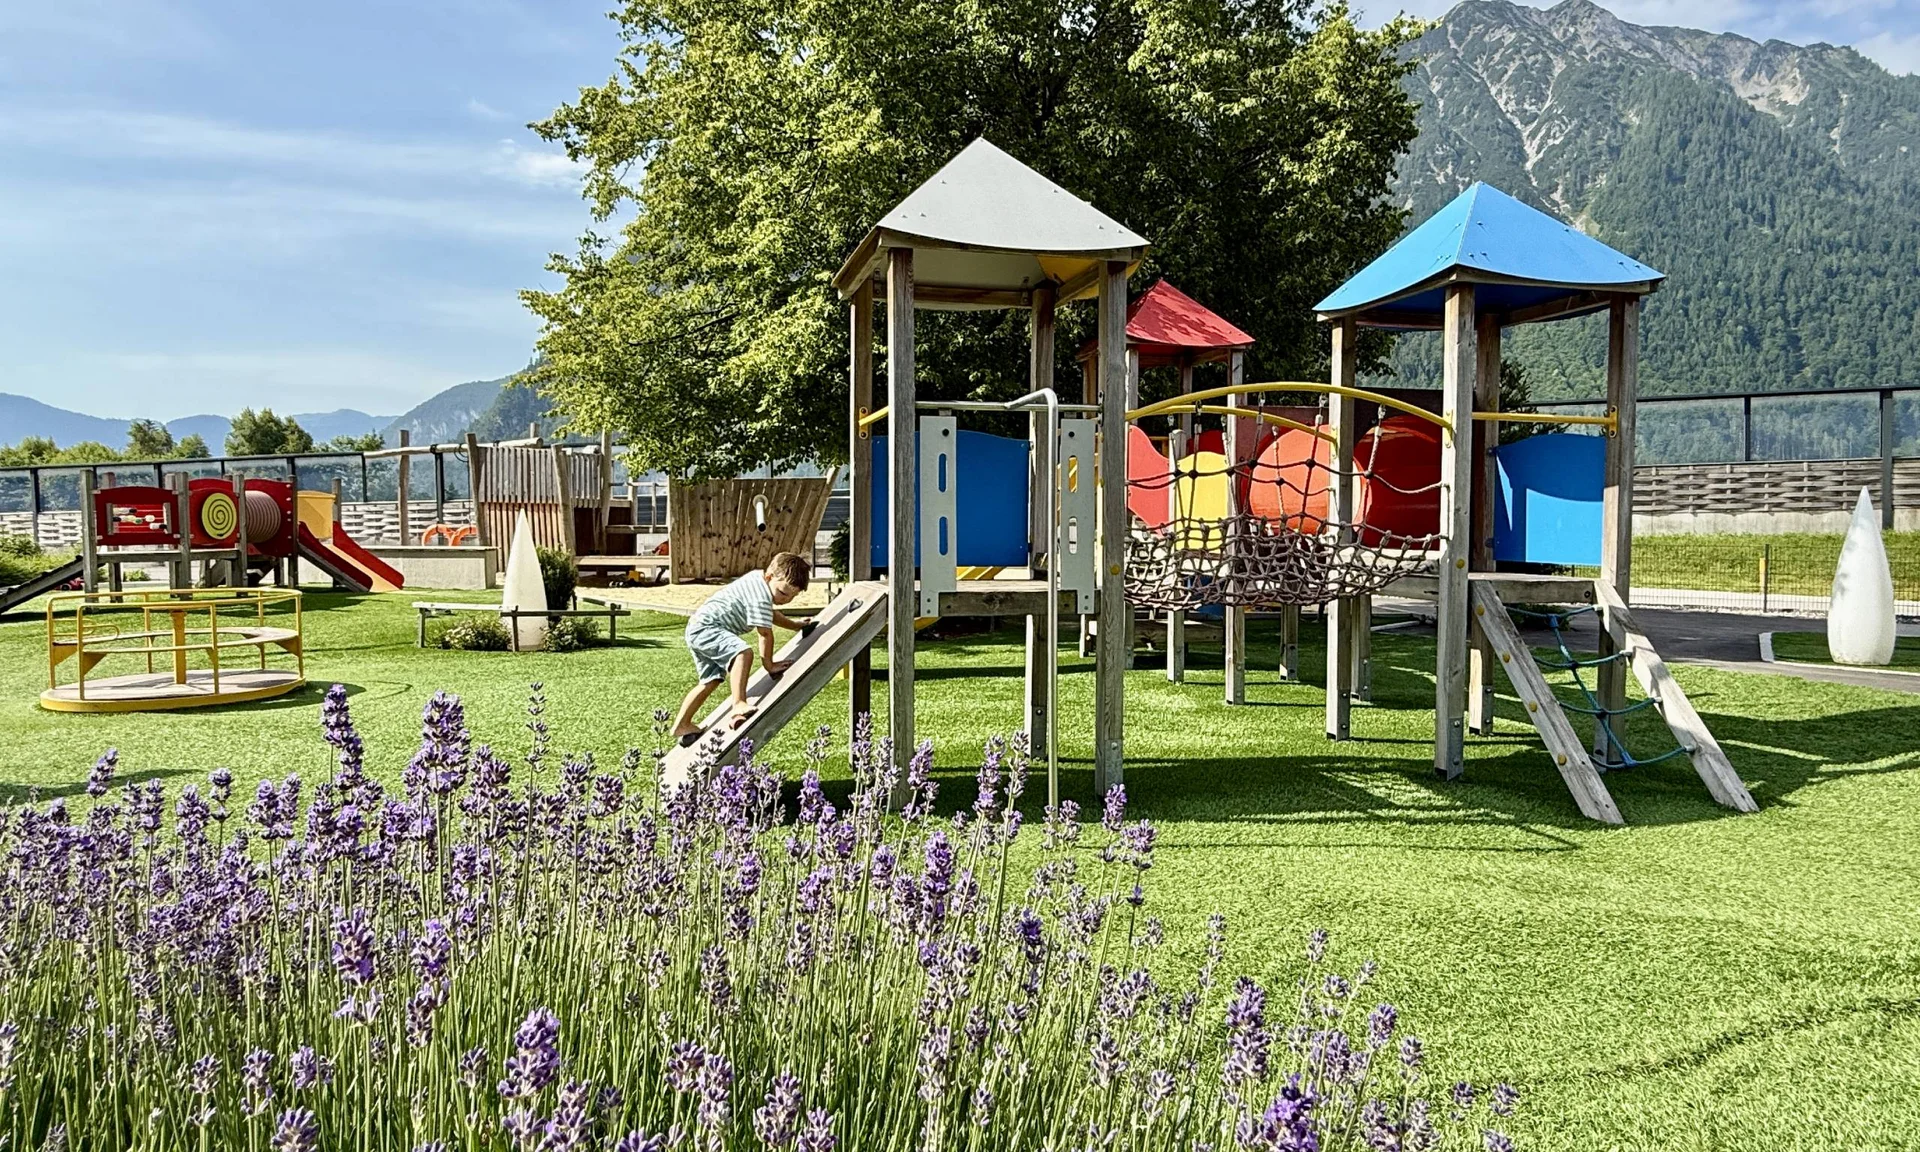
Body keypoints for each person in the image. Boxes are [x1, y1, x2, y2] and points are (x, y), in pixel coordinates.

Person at [670, 551, 814, 746]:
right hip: (708, 628)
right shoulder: (761, 596)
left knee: (710, 681)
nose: (785, 600)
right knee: (743, 653)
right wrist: (769, 665)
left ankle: (682, 724)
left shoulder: (757, 581)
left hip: (696, 628)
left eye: (792, 597)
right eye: (783, 593)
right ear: (770, 577)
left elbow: (771, 615)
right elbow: (764, 633)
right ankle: (738, 704)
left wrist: (796, 626)